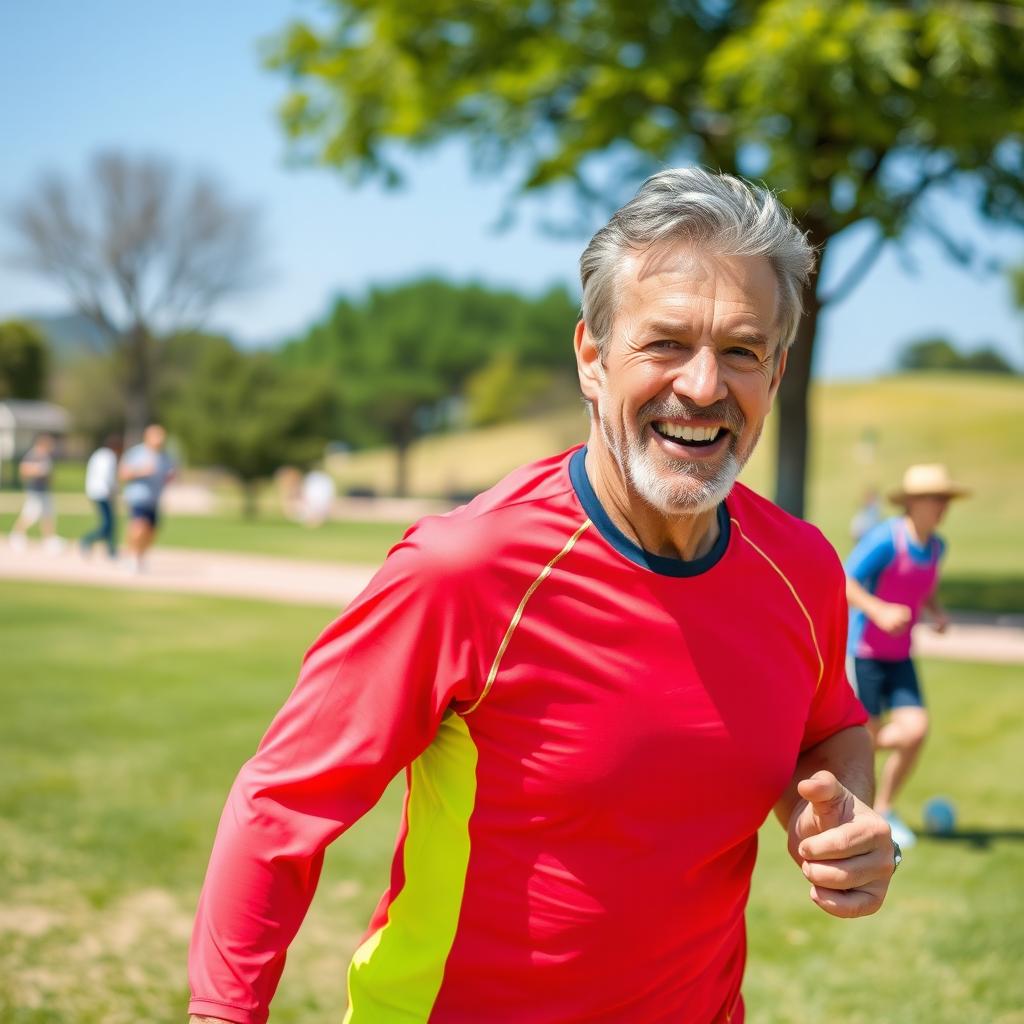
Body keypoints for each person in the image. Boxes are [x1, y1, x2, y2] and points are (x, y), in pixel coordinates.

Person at [188, 168, 896, 1024]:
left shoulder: (803, 569)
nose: (705, 387)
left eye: (742, 350)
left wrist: (841, 810)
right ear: (593, 359)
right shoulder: (465, 570)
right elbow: (281, 803)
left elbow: (828, 727)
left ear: (776, 374)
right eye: (665, 343)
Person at [845, 463, 968, 849]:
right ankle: (858, 815)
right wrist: (878, 609)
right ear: (913, 503)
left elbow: (922, 584)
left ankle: (885, 807)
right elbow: (842, 577)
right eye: (934, 499)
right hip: (865, 652)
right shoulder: (886, 539)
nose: (942, 506)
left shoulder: (937, 546)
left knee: (915, 730)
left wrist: (936, 611)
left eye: (945, 499)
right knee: (864, 741)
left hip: (900, 655)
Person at [119, 424, 175, 573]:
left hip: (154, 499)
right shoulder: (137, 453)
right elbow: (123, 474)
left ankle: (140, 557)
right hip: (137, 497)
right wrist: (141, 471)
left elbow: (168, 476)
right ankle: (131, 557)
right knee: (138, 527)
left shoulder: (165, 457)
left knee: (151, 531)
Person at [8, 433, 61, 552]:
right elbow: (24, 470)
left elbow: (49, 474)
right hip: (35, 491)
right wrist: (38, 470)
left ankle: (49, 539)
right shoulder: (33, 455)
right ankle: (16, 535)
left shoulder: (46, 456)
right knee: (31, 515)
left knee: (48, 514)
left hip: (44, 490)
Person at [79, 434, 123, 559]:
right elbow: (107, 476)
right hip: (104, 493)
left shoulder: (98, 454)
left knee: (110, 523)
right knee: (108, 524)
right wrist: (113, 490)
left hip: (95, 491)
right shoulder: (109, 456)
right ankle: (87, 540)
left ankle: (111, 550)